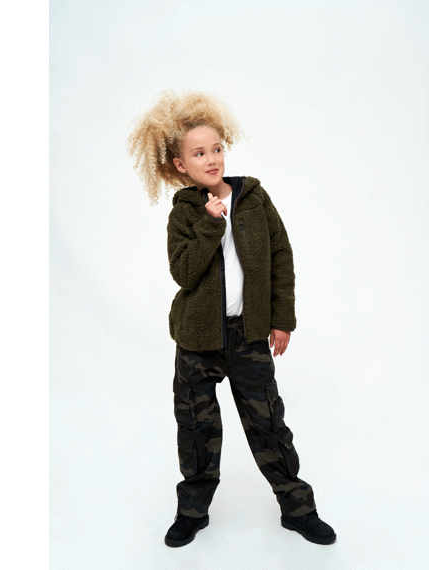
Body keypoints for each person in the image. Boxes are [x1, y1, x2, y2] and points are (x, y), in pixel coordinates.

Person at [127, 89, 336, 548]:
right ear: (181, 164)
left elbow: (281, 258)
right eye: (199, 153)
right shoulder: (184, 213)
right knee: (196, 429)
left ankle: (298, 509)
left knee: (269, 424)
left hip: (248, 336)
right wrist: (209, 223)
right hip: (197, 342)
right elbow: (184, 272)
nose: (212, 159)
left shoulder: (255, 199)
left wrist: (282, 320)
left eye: (217, 148)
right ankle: (192, 513)